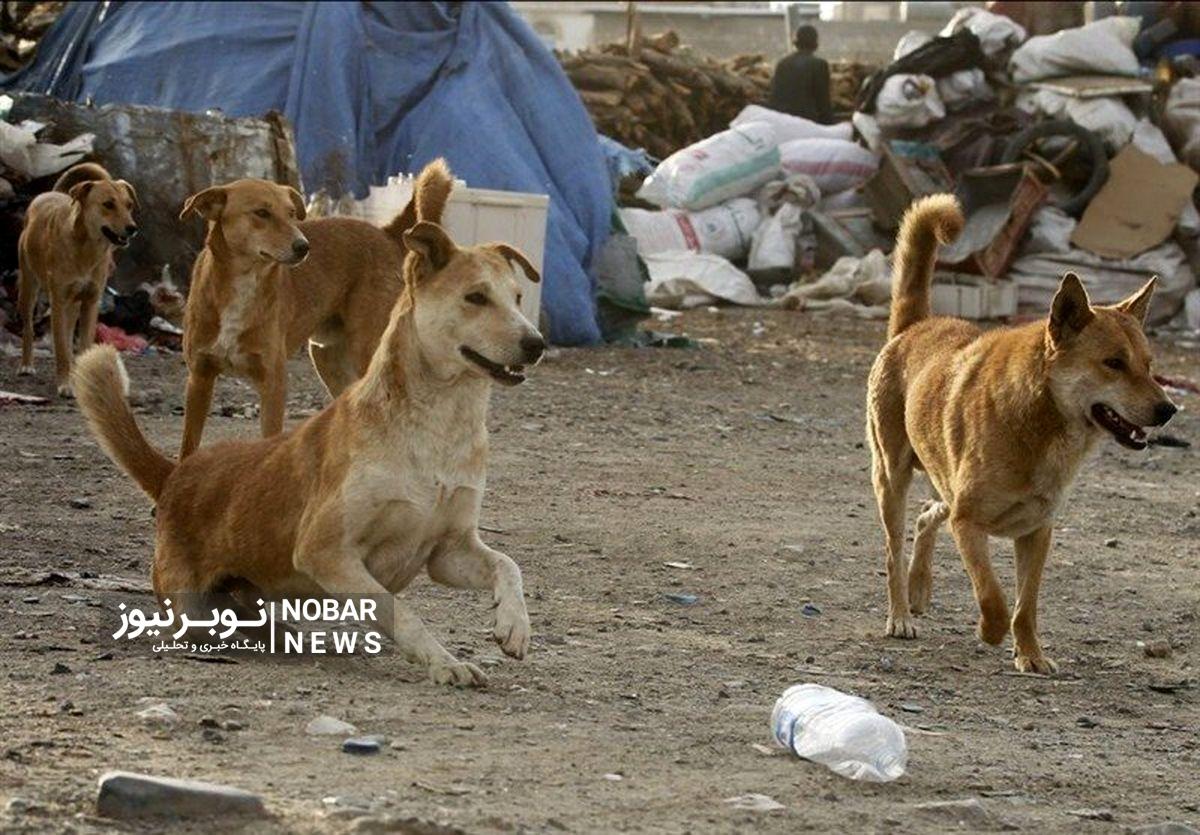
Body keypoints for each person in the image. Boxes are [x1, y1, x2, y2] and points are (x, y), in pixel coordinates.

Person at [768, 24, 832, 124]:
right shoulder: (819, 65)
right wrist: (829, 126)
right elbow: (823, 101)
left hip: (783, 121)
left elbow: (774, 98)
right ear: (815, 44)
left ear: (796, 43)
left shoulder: (782, 63)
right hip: (808, 123)